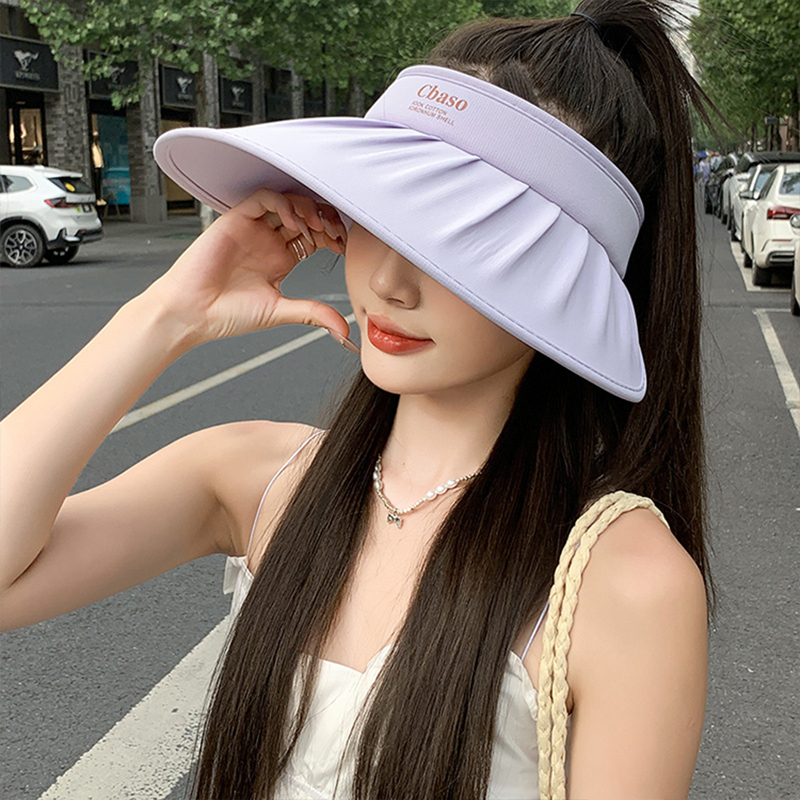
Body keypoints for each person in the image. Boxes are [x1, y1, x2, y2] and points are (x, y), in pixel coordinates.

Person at [0, 1, 720, 798]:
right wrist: (164, 316)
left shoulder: (623, 583)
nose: (390, 282)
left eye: (463, 242)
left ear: (570, 283)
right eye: (386, 214)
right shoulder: (259, 479)